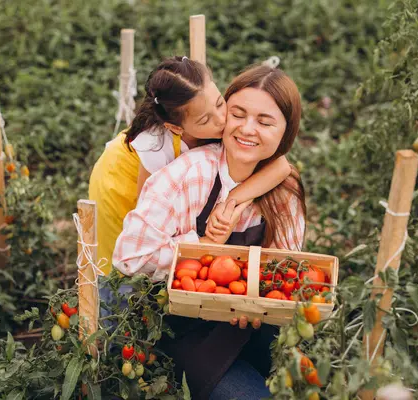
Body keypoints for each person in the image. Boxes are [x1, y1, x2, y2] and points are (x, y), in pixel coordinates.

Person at [113, 63, 306, 399]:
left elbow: (285, 269)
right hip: (187, 330)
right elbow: (129, 254)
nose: (247, 129)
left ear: (286, 131)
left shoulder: (284, 192)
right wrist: (199, 246)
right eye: (238, 114)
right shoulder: (187, 174)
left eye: (265, 121)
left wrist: (253, 302)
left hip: (253, 330)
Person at [88, 56, 292, 275]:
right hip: (117, 180)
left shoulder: (204, 109)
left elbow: (281, 168)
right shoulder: (155, 146)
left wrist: (233, 201)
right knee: (121, 259)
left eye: (220, 103)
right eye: (205, 120)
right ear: (176, 128)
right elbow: (148, 211)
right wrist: (202, 244)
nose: (221, 119)